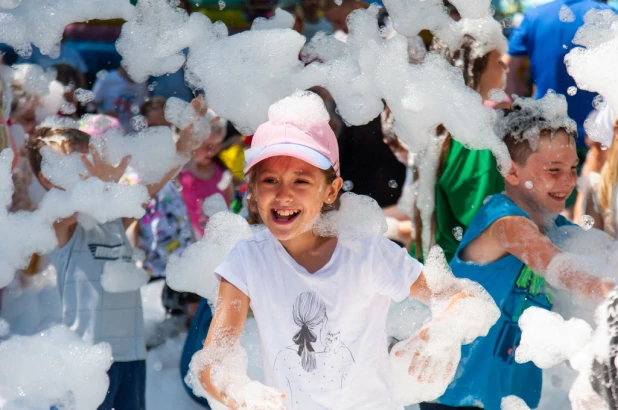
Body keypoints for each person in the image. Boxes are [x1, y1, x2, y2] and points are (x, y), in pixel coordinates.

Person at [195, 93, 490, 410]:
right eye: (270, 180)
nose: (283, 195)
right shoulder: (247, 260)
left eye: (301, 181)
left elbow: (458, 297)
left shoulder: (367, 254)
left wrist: (442, 334)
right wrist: (240, 393)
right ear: (252, 190)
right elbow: (214, 360)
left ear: (330, 190)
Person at [430, 95, 615, 410]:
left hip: (511, 399)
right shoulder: (503, 222)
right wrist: (610, 296)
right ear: (510, 171)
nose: (569, 180)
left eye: (573, 167)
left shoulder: (553, 226)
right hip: (458, 395)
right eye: (554, 170)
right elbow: (560, 267)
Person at [28, 100, 205, 410]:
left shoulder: (111, 219)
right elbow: (72, 209)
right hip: (87, 362)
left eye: (92, 162)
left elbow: (148, 189)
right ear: (47, 177)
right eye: (79, 166)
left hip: (131, 356)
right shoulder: (58, 225)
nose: (91, 172)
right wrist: (101, 184)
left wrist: (182, 148)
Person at [410, 34, 508, 263]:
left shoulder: (442, 127)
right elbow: (484, 220)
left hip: (434, 265)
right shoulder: (473, 138)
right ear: (474, 69)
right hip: (460, 276)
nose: (506, 67)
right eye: (498, 61)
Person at [506, 0, 614, 147]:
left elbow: (507, 70)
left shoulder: (534, 16)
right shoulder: (610, 15)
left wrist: (521, 114)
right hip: (598, 138)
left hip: (546, 134)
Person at [178, 115, 234, 239]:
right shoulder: (183, 172)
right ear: (193, 143)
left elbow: (229, 200)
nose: (212, 151)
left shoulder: (219, 168)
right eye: (207, 145)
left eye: (217, 144)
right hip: (197, 239)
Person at [92, 66, 149, 133]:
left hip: (133, 131)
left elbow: (144, 103)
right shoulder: (107, 79)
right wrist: (105, 115)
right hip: (109, 130)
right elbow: (92, 104)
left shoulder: (142, 81)